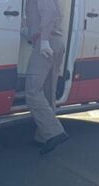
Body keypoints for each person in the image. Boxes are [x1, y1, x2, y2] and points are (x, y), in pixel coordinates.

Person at [25, 0, 69, 154]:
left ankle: (54, 132)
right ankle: (43, 136)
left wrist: (43, 41)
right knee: (48, 90)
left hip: (46, 44)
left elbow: (49, 13)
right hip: (56, 42)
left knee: (32, 90)